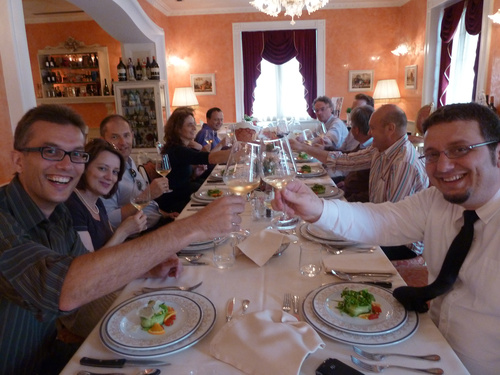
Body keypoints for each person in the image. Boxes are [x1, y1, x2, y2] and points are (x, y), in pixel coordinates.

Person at [0, 104, 246, 375]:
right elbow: (65, 291)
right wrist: (192, 226)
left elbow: (88, 282)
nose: (66, 165)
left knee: (196, 354)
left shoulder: (59, 214)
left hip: (53, 355)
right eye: (51, 151)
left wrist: (145, 269)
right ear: (18, 159)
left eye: (76, 155)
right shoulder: (5, 221)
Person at [272, 102, 500, 375]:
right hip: (428, 349)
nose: (443, 165)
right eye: (432, 154)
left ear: (497, 153)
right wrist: (317, 208)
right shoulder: (436, 201)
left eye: (460, 149)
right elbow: (381, 220)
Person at [290, 104, 428, 259]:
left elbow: (389, 220)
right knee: (324, 237)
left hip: (402, 244)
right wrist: (304, 147)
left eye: (372, 128)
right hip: (380, 226)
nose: (368, 133)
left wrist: (337, 217)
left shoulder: (403, 163)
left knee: (331, 250)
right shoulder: (381, 149)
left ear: (390, 129)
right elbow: (344, 160)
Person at [100, 114, 176, 231]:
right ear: (103, 140)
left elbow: (146, 204)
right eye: (114, 137)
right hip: (140, 236)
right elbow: (109, 220)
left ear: (132, 136)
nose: (123, 142)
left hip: (158, 221)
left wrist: (165, 214)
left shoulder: (129, 161)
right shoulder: (104, 174)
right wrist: (147, 195)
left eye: (126, 135)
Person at [156, 106, 231, 213]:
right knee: (220, 202)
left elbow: (178, 176)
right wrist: (235, 154)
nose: (194, 128)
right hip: (175, 203)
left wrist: (194, 174)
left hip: (183, 194)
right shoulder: (177, 150)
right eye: (189, 125)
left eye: (194, 124)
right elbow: (207, 158)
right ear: (177, 128)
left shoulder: (180, 147)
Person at [336, 105, 374, 202]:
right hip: (348, 189)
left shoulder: (372, 149)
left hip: (355, 200)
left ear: (356, 130)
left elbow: (368, 191)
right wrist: (345, 182)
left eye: (351, 125)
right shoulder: (363, 144)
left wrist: (346, 201)